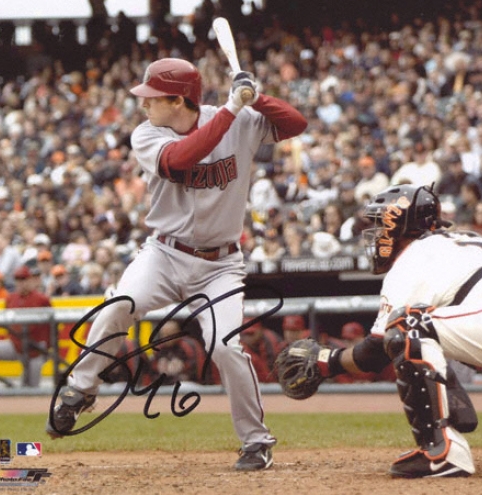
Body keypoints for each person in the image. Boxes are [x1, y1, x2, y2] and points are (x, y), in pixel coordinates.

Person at [45, 57, 307, 473]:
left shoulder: (237, 117)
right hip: (165, 254)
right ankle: (80, 388)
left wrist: (258, 97)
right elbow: (184, 158)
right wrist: (233, 108)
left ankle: (256, 441)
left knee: (225, 345)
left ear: (177, 98)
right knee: (119, 304)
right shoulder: (148, 133)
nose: (144, 104)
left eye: (152, 97)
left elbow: (296, 124)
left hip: (221, 264)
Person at [276, 184, 482, 478]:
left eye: (380, 225)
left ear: (398, 224)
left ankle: (442, 450)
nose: (375, 234)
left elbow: (375, 351)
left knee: (406, 325)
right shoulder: (472, 239)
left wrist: (327, 362)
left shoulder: (410, 259)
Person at [0, 265, 52, 388]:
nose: (21, 283)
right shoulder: (11, 298)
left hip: (35, 350)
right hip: (15, 346)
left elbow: (51, 327)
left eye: (23, 279)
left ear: (30, 280)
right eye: (18, 280)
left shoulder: (41, 299)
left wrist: (46, 348)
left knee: (32, 390)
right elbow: (7, 323)